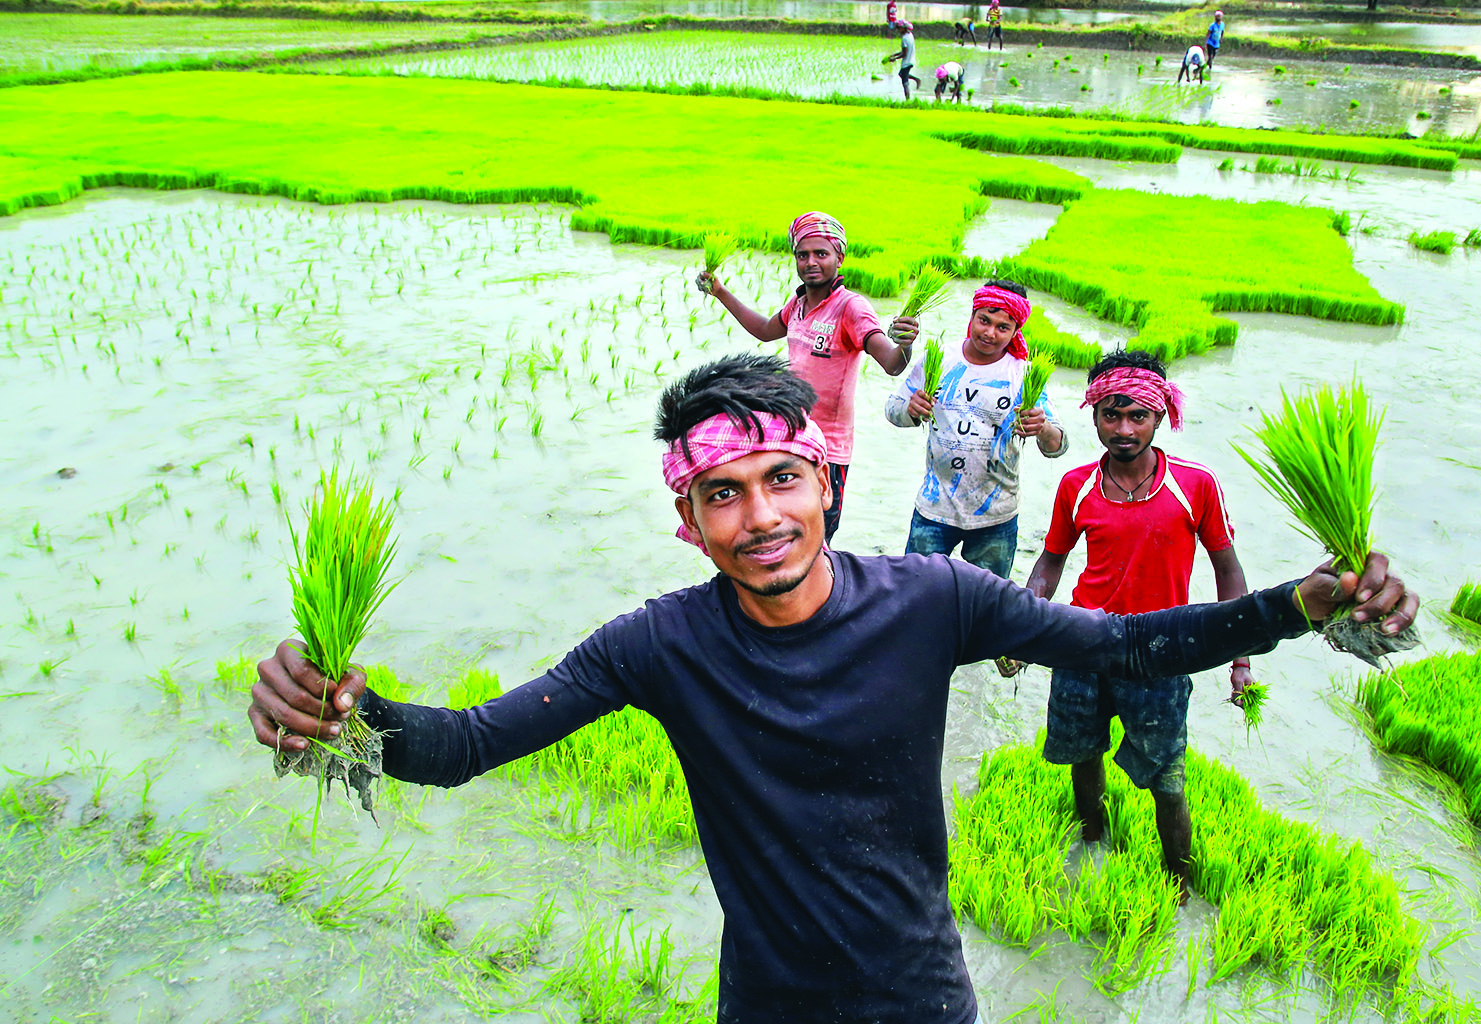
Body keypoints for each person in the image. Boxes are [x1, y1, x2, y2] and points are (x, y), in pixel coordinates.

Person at [250, 352, 1418, 1024]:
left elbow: (1123, 646)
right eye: (724, 495)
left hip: (917, 991)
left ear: (825, 484)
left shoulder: (930, 600)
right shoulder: (656, 646)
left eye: (782, 479)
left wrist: (1299, 606)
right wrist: (343, 714)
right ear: (686, 520)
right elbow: (461, 746)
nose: (759, 518)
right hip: (764, 1004)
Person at [1024, 349, 1260, 902]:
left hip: (1162, 647)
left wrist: (1240, 660)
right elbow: (1052, 561)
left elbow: (1228, 571)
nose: (1123, 429)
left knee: (1166, 777)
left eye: (1137, 416)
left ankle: (1180, 884)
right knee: (1082, 751)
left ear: (1161, 416)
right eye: (1111, 414)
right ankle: (1094, 840)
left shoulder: (1194, 485)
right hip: (1084, 638)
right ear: (1095, 415)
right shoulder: (1077, 485)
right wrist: (1026, 627)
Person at [694, 212, 920, 539]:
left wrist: (904, 344)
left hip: (829, 452)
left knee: (817, 538)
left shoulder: (850, 308)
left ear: (839, 258)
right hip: (790, 440)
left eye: (821, 254)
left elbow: (892, 363)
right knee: (784, 534)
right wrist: (719, 291)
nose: (811, 262)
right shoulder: (798, 304)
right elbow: (765, 330)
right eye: (803, 255)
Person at [885, 281, 1067, 676]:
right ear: (971, 315)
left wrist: (1042, 428)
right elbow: (894, 410)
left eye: (1003, 327)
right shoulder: (940, 359)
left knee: (988, 601)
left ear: (1016, 331)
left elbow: (1057, 445)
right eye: (984, 320)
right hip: (933, 509)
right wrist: (912, 408)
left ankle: (992, 650)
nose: (990, 332)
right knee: (916, 595)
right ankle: (915, 660)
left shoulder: (1025, 374)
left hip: (996, 516)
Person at [883, 19, 920, 99]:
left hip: (906, 62)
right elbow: (904, 51)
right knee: (901, 74)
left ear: (903, 28)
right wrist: (894, 55)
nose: (898, 30)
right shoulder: (910, 35)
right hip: (911, 60)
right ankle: (916, 79)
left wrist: (894, 58)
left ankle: (907, 100)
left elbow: (904, 54)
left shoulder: (904, 39)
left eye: (899, 28)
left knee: (905, 83)